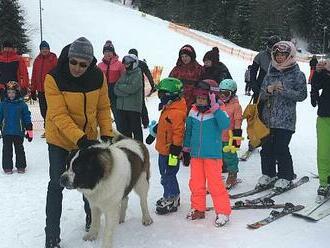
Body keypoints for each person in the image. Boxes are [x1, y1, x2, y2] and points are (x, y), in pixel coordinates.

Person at [44, 37, 113, 248]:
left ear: (90, 63)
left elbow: (103, 107)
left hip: (86, 137)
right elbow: (58, 114)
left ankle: (91, 218)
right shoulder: (53, 78)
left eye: (83, 64)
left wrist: (107, 132)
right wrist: (80, 139)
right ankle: (52, 235)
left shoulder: (97, 76)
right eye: (74, 62)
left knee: (89, 182)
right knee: (57, 184)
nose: (77, 68)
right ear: (68, 59)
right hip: (60, 139)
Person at [256, 41, 307, 191]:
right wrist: (269, 90)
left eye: (282, 55)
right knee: (266, 148)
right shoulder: (270, 72)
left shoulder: (298, 74)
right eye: (276, 55)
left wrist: (283, 91)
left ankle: (286, 176)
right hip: (268, 118)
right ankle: (268, 174)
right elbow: (261, 94)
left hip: (286, 120)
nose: (279, 58)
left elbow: (302, 95)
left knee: (281, 148)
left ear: (289, 55)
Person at [183, 80, 231, 227]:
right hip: (196, 155)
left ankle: (223, 212)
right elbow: (189, 131)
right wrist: (186, 148)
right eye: (198, 99)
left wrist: (216, 109)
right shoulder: (193, 112)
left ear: (212, 98)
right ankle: (198, 208)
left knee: (215, 184)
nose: (200, 102)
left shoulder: (218, 111)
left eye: (204, 99)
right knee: (196, 183)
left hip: (212, 156)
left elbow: (225, 125)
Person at [145, 77, 186, 215]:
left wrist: (175, 150)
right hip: (164, 150)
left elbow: (178, 132)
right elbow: (164, 125)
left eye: (161, 94)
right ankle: (172, 194)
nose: (159, 97)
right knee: (165, 174)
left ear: (171, 96)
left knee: (169, 174)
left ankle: (171, 197)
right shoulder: (169, 108)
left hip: (171, 152)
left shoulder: (177, 112)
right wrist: (154, 133)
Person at [0, 81, 33, 174]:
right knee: (7, 150)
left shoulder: (22, 105)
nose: (11, 95)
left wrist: (29, 130)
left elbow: (27, 116)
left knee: (19, 150)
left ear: (17, 93)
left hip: (18, 132)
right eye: (9, 92)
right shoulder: (3, 104)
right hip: (6, 132)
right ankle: (7, 166)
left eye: (13, 92)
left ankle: (21, 166)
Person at [310, 59, 330, 199]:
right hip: (324, 116)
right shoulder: (325, 72)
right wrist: (318, 72)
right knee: (323, 151)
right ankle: (324, 182)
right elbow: (316, 85)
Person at [218, 79, 243, 189]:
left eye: (226, 94)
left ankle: (233, 173)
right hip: (218, 137)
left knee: (229, 157)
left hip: (229, 137)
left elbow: (238, 122)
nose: (223, 96)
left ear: (232, 93)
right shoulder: (219, 105)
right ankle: (216, 174)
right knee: (217, 157)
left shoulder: (236, 106)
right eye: (221, 93)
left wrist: (236, 140)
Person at [31, 40, 58, 138]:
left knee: (52, 110)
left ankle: (54, 130)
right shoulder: (37, 60)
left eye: (46, 49)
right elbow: (34, 75)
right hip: (40, 90)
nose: (44, 50)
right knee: (44, 111)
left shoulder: (53, 59)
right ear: (40, 50)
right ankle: (48, 129)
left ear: (49, 49)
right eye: (43, 49)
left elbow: (57, 73)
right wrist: (33, 90)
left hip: (51, 90)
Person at [114, 54, 143, 141]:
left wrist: (121, 88)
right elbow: (115, 88)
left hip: (133, 108)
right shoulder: (125, 74)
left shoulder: (138, 74)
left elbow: (132, 88)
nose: (126, 66)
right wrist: (125, 90)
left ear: (134, 63)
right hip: (122, 108)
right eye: (125, 64)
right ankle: (129, 149)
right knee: (125, 132)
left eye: (128, 64)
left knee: (136, 131)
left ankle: (139, 149)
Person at [98, 40, 125, 127]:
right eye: (106, 51)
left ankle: (121, 132)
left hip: (115, 93)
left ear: (113, 52)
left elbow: (124, 79)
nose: (108, 54)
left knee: (118, 115)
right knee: (103, 115)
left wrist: (121, 90)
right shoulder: (100, 65)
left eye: (110, 51)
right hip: (103, 93)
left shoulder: (119, 64)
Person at [169, 44, 202, 112]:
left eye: (186, 56)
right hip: (178, 102)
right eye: (182, 56)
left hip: (193, 103)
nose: (184, 58)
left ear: (191, 56)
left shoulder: (199, 69)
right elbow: (170, 83)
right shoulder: (176, 69)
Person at [128, 48, 156, 128]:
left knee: (136, 105)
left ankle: (141, 122)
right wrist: (152, 85)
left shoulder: (131, 63)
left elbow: (148, 75)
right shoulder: (141, 64)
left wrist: (152, 85)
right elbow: (149, 75)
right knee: (141, 105)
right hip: (136, 88)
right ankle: (145, 122)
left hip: (134, 88)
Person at [250, 35, 281, 100]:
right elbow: (253, 70)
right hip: (260, 89)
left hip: (275, 91)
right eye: (270, 45)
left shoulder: (281, 58)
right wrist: (253, 84)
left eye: (274, 46)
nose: (272, 48)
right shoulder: (261, 55)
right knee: (258, 108)